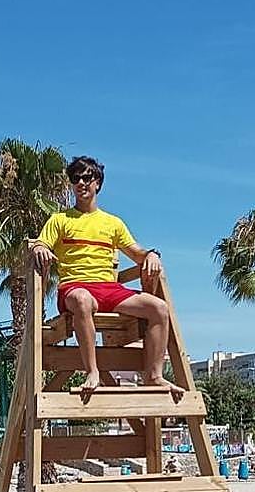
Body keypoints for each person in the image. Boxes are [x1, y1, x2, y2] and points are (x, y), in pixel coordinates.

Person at [29, 156, 184, 396]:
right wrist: (39, 248)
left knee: (159, 308)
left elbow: (137, 253)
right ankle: (93, 372)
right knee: (83, 300)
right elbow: (40, 244)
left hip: (109, 290)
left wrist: (152, 255)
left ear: (98, 183)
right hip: (74, 288)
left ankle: (154, 376)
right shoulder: (59, 220)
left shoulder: (113, 223)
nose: (81, 183)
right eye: (76, 178)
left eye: (87, 178)